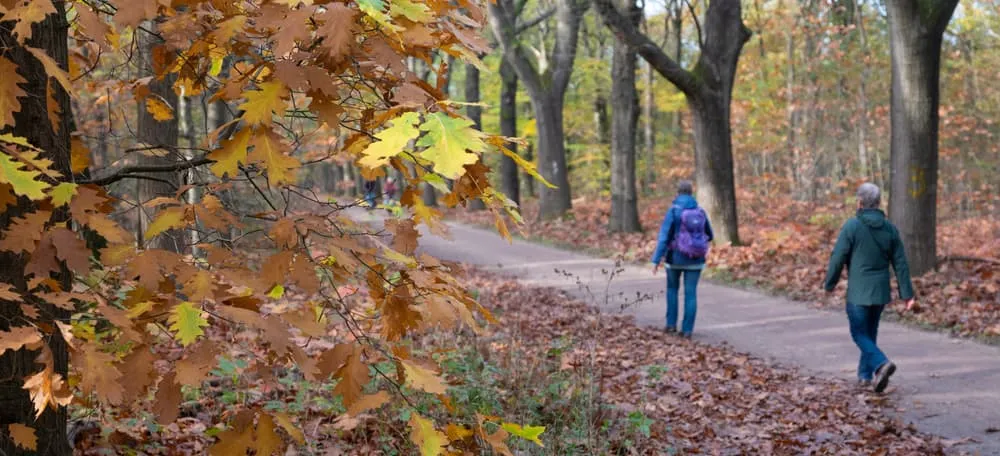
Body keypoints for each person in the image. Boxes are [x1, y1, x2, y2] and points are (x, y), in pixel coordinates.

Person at [824, 182, 916, 393]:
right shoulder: (890, 229)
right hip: (880, 292)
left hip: (858, 292)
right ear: (879, 202)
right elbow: (900, 263)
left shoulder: (852, 226)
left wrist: (829, 284)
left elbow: (838, 257)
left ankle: (881, 364)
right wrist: (907, 294)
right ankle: (865, 377)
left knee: (858, 333)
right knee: (870, 332)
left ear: (859, 202)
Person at [651, 180, 714, 338]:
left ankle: (671, 325)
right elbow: (710, 235)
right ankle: (687, 330)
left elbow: (664, 237)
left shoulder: (673, 211)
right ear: (692, 193)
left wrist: (656, 259)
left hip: (675, 258)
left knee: (672, 290)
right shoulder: (700, 211)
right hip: (696, 259)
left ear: (677, 193)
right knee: (690, 294)